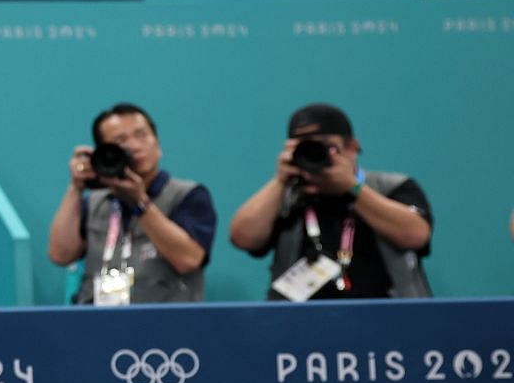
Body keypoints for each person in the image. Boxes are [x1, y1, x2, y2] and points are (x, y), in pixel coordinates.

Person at [227, 103, 432, 300]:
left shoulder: (391, 187)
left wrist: (352, 189)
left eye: (324, 145)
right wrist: (280, 181)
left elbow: (416, 235)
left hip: (387, 317)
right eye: (303, 146)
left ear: (352, 146)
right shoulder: (288, 196)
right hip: (298, 322)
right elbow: (242, 238)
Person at [47, 104, 215, 304]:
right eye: (120, 141)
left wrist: (139, 203)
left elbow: (188, 260)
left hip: (165, 324)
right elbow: (60, 255)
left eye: (141, 135)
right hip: (98, 322)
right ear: (105, 152)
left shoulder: (187, 195)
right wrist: (75, 188)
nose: (135, 146)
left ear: (157, 144)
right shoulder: (95, 202)